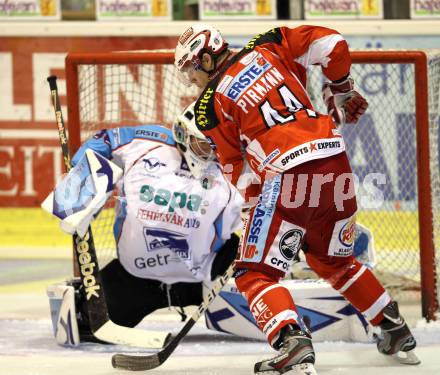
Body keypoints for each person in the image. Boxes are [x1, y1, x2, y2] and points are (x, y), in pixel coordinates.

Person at [174, 24, 419, 374]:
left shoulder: (209, 106)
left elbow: (236, 169)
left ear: (208, 57)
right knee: (334, 262)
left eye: (192, 70)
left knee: (253, 272)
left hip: (287, 173)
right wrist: (342, 88)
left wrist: (250, 217)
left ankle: (291, 343)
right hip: (334, 161)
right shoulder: (270, 44)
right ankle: (395, 328)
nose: (192, 79)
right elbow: (333, 44)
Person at [48, 102, 244, 344]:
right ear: (183, 134)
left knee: (262, 283)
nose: (211, 152)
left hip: (207, 278)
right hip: (134, 279)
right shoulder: (147, 142)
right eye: (203, 144)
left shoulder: (233, 164)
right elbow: (104, 141)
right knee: (82, 323)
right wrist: (81, 181)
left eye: (217, 144)